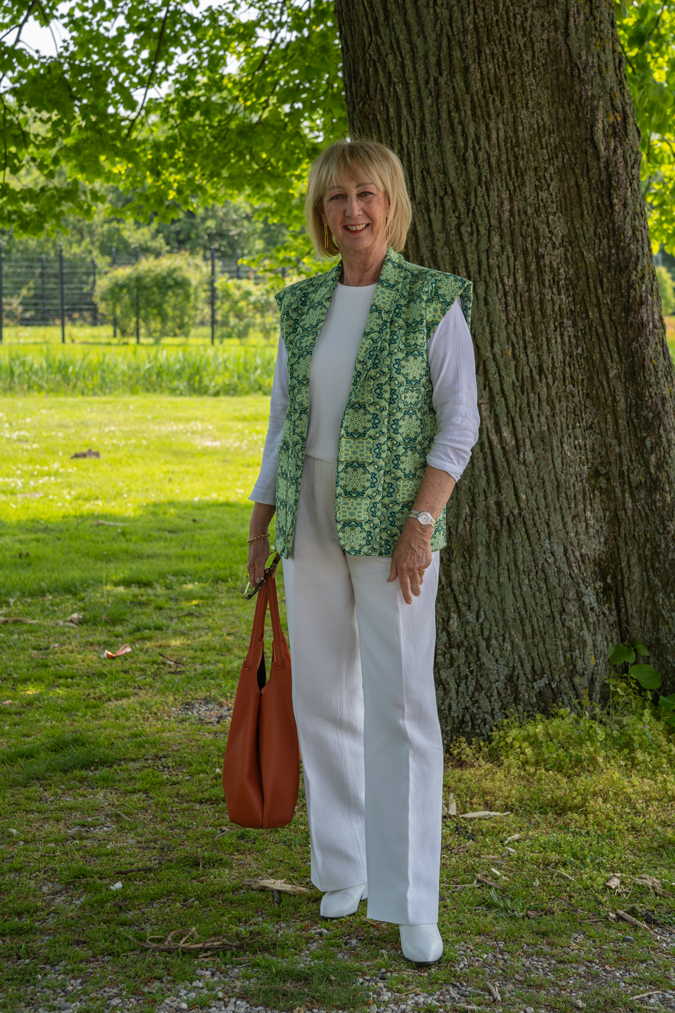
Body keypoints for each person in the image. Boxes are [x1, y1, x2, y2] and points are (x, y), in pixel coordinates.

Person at [247, 139, 479, 964]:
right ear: (321, 212)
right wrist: (260, 519)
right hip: (307, 514)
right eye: (337, 197)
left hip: (394, 525)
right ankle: (339, 865)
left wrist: (422, 522)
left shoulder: (431, 299)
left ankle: (413, 898)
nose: (353, 211)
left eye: (367, 195)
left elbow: (459, 421)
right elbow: (284, 421)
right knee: (321, 696)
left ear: (391, 202)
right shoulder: (301, 305)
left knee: (403, 706)